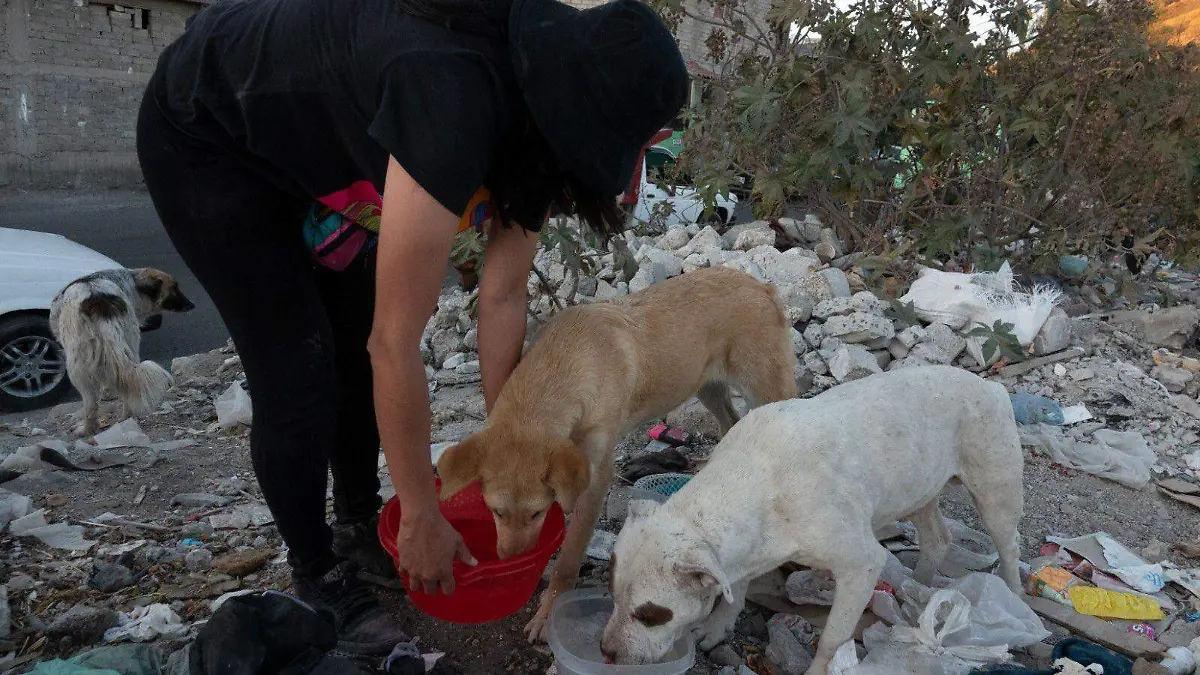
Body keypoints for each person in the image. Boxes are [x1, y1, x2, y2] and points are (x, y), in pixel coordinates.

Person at [136, 0, 688, 656]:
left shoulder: (537, 127)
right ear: (571, 114)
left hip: (319, 151)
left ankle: (358, 524)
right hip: (207, 128)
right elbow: (394, 344)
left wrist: (511, 441)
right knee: (301, 364)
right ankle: (320, 572)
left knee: (349, 327)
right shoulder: (451, 96)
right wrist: (424, 510)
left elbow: (504, 296)